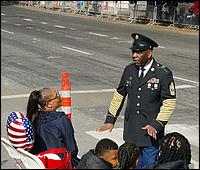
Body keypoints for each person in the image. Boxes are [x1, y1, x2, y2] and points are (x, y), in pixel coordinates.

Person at [96, 33, 176, 168]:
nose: (134, 55)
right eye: (133, 51)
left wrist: (156, 125)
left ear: (149, 53)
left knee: (149, 166)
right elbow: (119, 95)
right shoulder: (129, 70)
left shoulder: (163, 73)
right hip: (131, 133)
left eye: (138, 52)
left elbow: (169, 102)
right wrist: (110, 120)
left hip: (150, 135)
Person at [26, 87, 80, 168]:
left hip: (39, 163)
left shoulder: (34, 117)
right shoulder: (61, 120)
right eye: (57, 95)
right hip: (59, 164)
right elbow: (72, 151)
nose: (60, 96)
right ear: (48, 104)